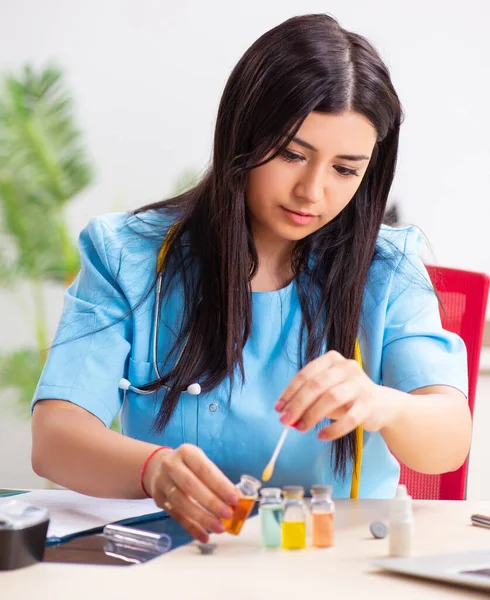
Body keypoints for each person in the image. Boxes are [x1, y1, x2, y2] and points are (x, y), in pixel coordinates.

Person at [31, 13, 471, 544]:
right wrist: (151, 469)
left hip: (334, 563)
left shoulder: (389, 268)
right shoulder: (127, 254)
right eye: (291, 154)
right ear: (241, 133)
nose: (313, 191)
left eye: (345, 169)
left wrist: (383, 403)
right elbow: (55, 437)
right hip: (175, 555)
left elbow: (449, 439)